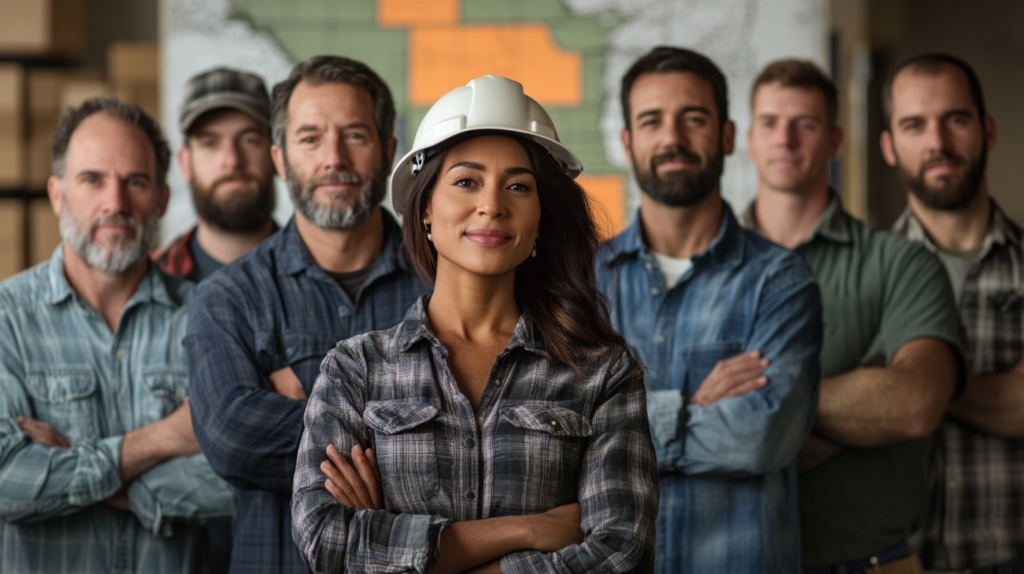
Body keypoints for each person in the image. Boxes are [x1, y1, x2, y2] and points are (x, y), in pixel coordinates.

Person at [291, 74, 658, 574]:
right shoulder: (356, 370)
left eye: (518, 186)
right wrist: (528, 529)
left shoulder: (602, 373)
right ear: (424, 208)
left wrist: (407, 551)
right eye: (466, 181)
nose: (492, 205)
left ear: (540, 221)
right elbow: (326, 538)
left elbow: (619, 552)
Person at [185, 56, 429, 574]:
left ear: (389, 152)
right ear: (280, 158)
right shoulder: (227, 298)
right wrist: (418, 429)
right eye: (310, 138)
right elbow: (233, 439)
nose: (333, 158)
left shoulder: (446, 280)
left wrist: (309, 400)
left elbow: (494, 434)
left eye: (355, 135)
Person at [598, 46, 822, 573]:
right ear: (628, 142)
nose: (672, 138)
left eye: (692, 118)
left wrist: (623, 425)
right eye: (652, 121)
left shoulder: (780, 280)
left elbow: (760, 438)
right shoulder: (582, 283)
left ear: (726, 135)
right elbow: (557, 436)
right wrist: (695, 408)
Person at [744, 59, 964, 573]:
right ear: (748, 139)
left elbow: (914, 402)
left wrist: (748, 410)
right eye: (772, 123)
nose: (787, 139)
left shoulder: (902, 262)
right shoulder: (703, 269)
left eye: (807, 124)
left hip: (875, 564)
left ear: (835, 141)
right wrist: (860, 396)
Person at [0, 96, 232, 573]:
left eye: (136, 182)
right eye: (92, 180)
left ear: (163, 198)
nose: (116, 203)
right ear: (58, 193)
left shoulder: (210, 317)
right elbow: (7, 482)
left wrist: (81, 473)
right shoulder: (7, 320)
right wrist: (162, 439)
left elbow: (233, 482)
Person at [885, 53, 1024, 574]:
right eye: (914, 125)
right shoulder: (865, 275)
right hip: (898, 563)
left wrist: (910, 389)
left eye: (956, 120)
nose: (937, 143)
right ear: (888, 146)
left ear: (987, 129)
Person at [153, 67, 278, 282]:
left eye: (250, 140)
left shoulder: (324, 275)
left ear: (276, 155)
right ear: (185, 162)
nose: (232, 160)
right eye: (209, 143)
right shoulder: (149, 282)